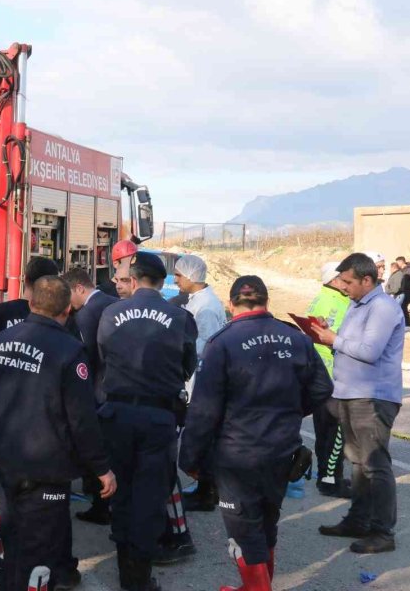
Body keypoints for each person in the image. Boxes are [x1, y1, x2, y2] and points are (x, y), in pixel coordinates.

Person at [180, 275, 333, 591]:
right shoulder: (296, 338)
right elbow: (323, 389)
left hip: (238, 455)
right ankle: (256, 586)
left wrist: (190, 458)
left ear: (232, 304)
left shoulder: (222, 343)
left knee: (243, 532)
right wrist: (288, 412)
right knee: (266, 524)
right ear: (266, 301)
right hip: (282, 451)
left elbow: (204, 410)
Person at [0, 275, 116, 591]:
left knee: (14, 546)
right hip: (47, 469)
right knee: (39, 557)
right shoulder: (69, 351)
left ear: (32, 303)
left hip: (7, 461)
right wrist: (101, 468)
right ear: (67, 310)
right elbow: (81, 420)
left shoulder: (0, 341)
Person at [98, 252, 198, 591]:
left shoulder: (110, 312)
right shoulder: (180, 317)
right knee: (150, 497)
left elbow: (103, 356)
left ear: (136, 279)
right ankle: (138, 580)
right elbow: (188, 366)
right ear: (162, 281)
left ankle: (127, 571)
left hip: (118, 414)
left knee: (121, 492)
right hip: (159, 416)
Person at [312, 253, 405, 554]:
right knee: (358, 464)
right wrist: (329, 332)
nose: (343, 287)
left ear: (367, 280)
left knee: (376, 466)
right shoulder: (357, 305)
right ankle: (358, 520)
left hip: (373, 397)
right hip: (350, 393)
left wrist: (333, 340)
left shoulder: (382, 308)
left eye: (348, 281)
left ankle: (382, 532)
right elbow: (350, 344)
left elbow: (369, 351)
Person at [61, 268, 118, 526]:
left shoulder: (85, 315)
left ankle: (101, 505)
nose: (67, 304)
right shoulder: (113, 302)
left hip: (97, 389)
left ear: (79, 289)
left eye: (68, 295)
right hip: (117, 386)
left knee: (96, 448)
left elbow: (85, 357)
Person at [172, 254, 227, 513]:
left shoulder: (205, 308)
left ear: (192, 276)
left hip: (200, 382)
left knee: (201, 440)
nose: (176, 280)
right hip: (197, 380)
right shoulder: (197, 301)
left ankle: (207, 492)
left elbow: (202, 349)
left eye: (179, 275)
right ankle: (205, 488)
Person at [306, 261, 352, 498]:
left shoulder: (323, 297)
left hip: (321, 375)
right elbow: (339, 338)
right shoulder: (337, 301)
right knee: (335, 433)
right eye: (344, 279)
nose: (347, 283)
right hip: (333, 375)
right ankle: (331, 480)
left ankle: (325, 477)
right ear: (334, 280)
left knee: (324, 431)